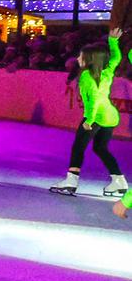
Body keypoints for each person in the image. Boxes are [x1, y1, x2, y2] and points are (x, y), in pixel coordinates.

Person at [51, 29, 126, 196]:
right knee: (100, 148)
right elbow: (116, 58)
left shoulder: (86, 76)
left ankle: (71, 181)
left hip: (97, 116)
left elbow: (95, 99)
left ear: (90, 60)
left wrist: (89, 120)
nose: (78, 59)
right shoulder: (106, 72)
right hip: (111, 116)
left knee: (78, 147)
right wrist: (113, 42)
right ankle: (119, 181)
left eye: (81, 56)